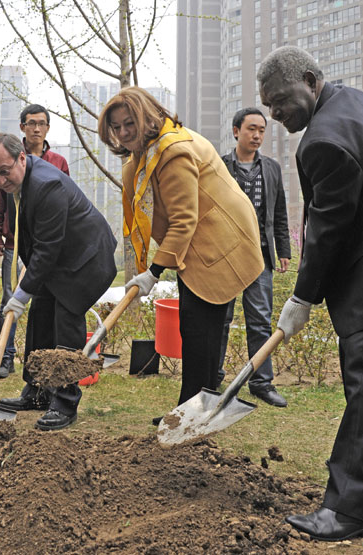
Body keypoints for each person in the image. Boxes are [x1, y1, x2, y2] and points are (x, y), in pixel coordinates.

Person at [98, 86, 264, 425]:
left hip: (219, 246)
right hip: (196, 245)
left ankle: (193, 413)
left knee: (200, 330)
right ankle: (193, 409)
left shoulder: (173, 152)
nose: (124, 132)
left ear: (147, 117)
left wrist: (154, 272)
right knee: (194, 329)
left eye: (130, 123)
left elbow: (184, 219)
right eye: (117, 127)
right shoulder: (145, 157)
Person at [258, 45, 363, 541]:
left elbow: (328, 229)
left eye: (279, 101)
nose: (275, 114)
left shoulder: (322, 140)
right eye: (269, 106)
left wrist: (302, 297)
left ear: (309, 79)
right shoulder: (355, 104)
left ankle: (345, 511)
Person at [0, 133, 117, 431]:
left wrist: (21, 292)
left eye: (4, 171)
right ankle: (38, 392)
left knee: (66, 319)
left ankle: (65, 402)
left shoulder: (47, 185)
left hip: (86, 261)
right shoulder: (16, 184)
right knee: (40, 318)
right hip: (59, 261)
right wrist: (29, 290)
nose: (0, 181)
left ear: (22, 158)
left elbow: (48, 247)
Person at [217, 108, 291, 407]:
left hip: (260, 258)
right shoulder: (220, 166)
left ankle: (261, 383)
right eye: (251, 129)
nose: (257, 135)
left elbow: (279, 213)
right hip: (226, 257)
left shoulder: (271, 168)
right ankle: (214, 377)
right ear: (236, 131)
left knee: (260, 321)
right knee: (220, 320)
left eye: (261, 129)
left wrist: (283, 250)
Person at [0, 103, 70, 379]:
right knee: (10, 299)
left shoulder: (58, 162)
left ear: (48, 127)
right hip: (15, 242)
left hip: (47, 245)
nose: (37, 128)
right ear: (22, 127)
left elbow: (66, 203)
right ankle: (5, 356)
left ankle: (41, 363)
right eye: (31, 123)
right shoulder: (10, 158)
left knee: (44, 302)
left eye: (42, 123)